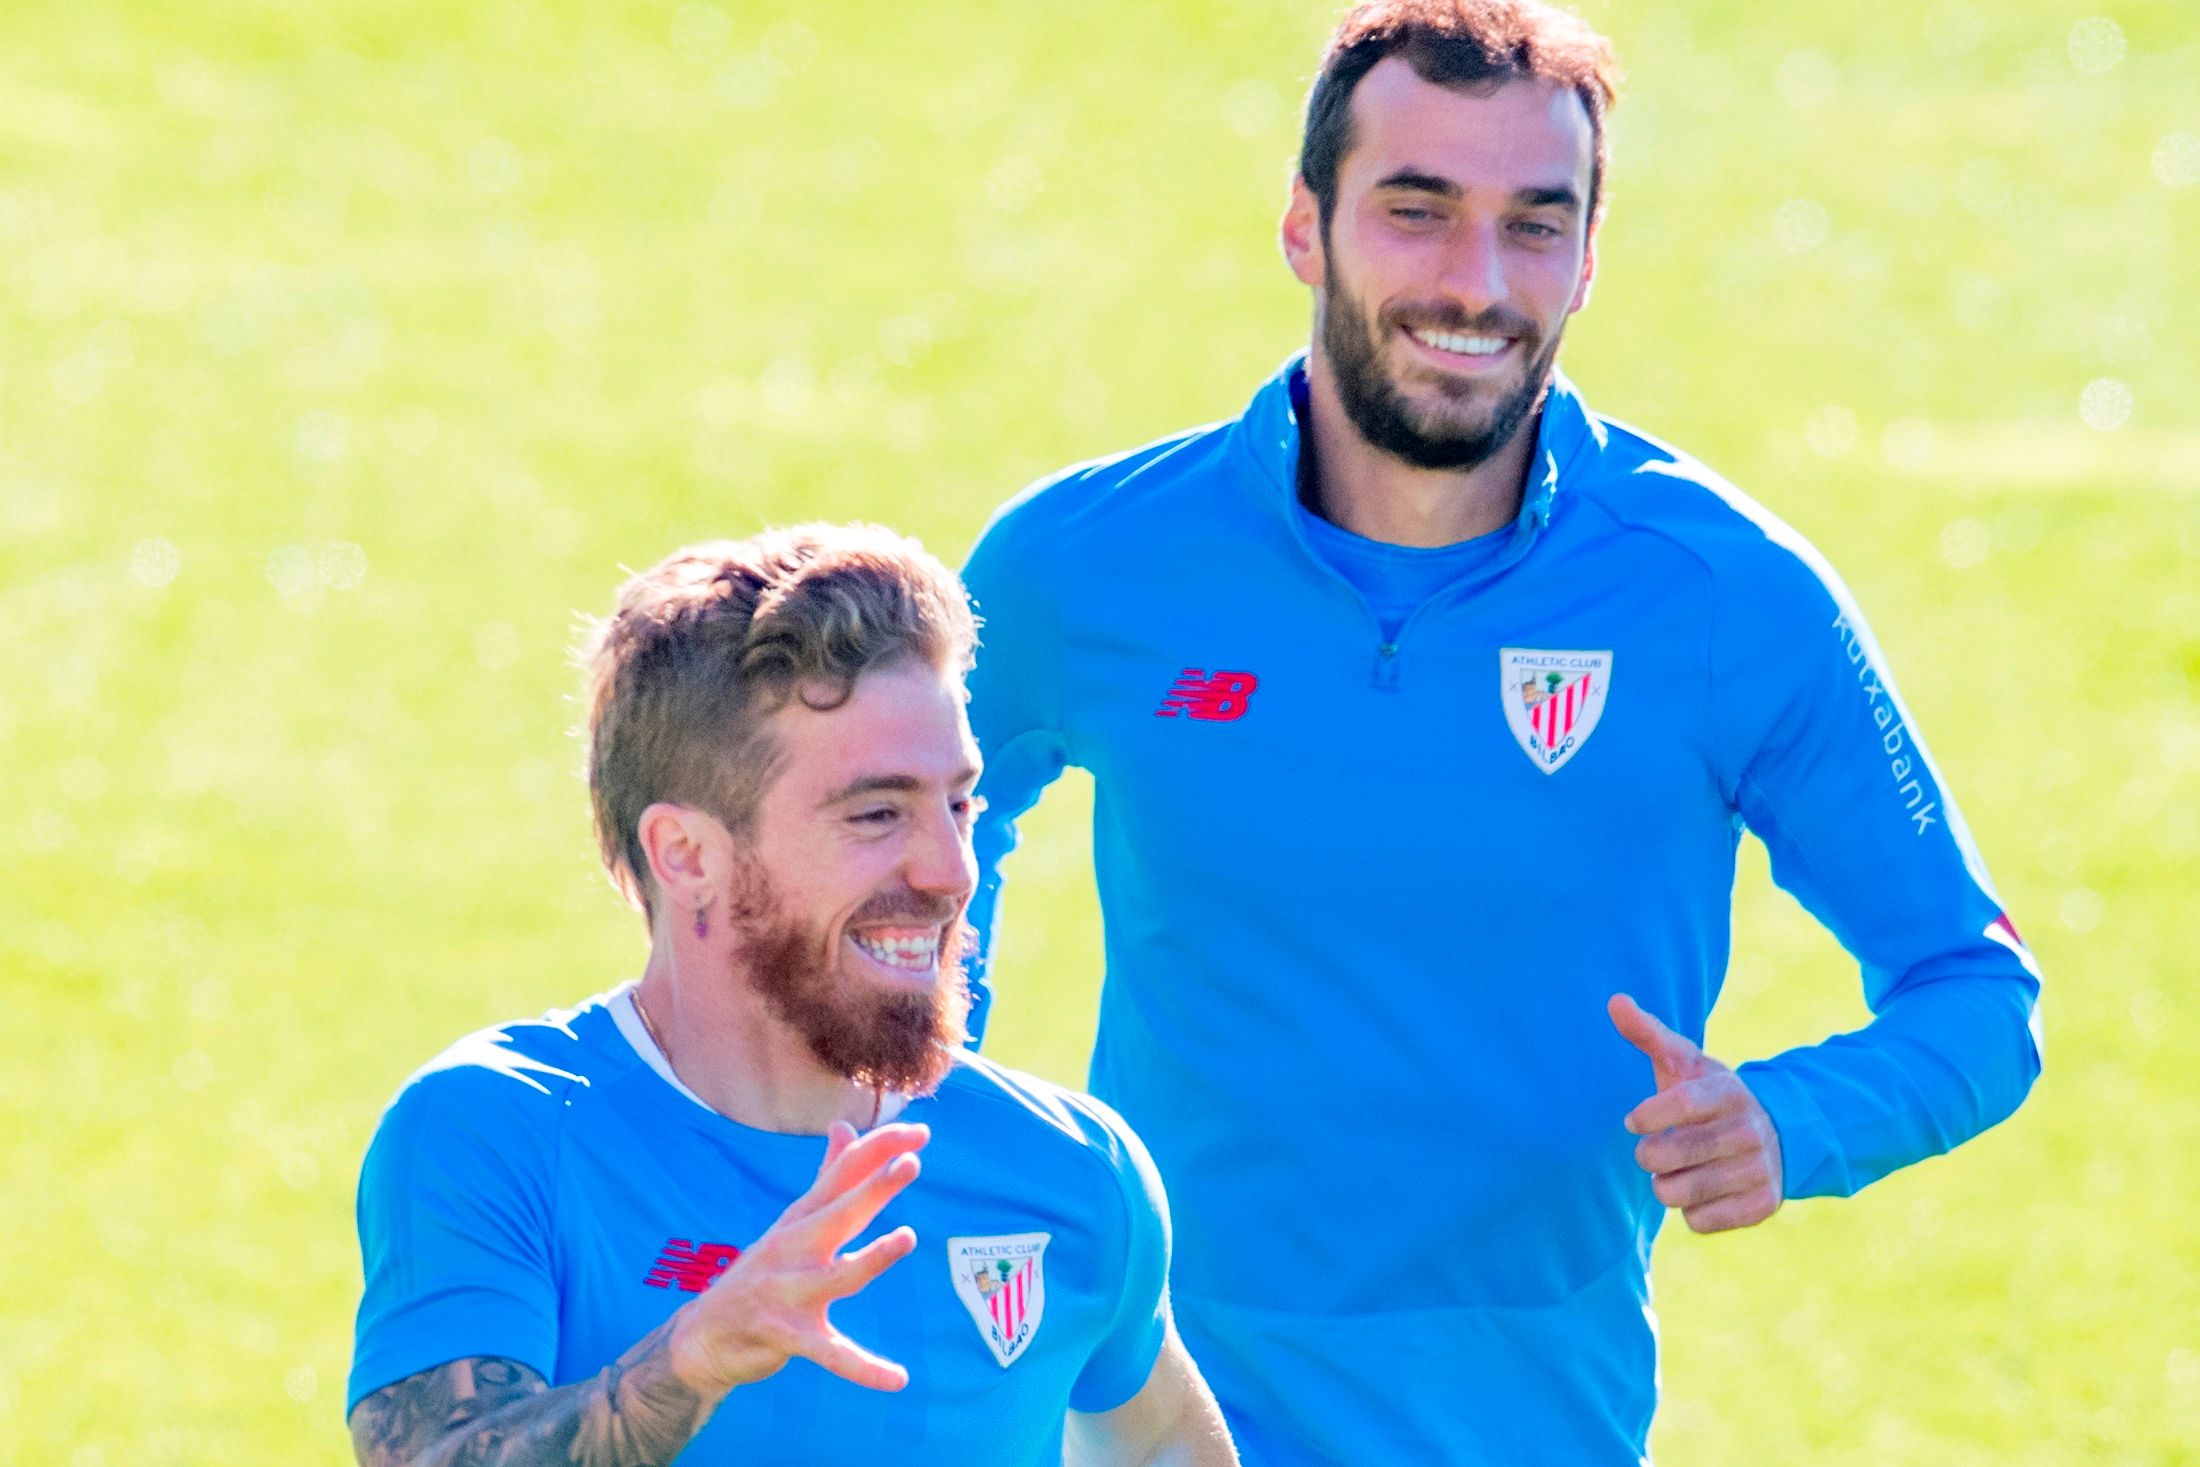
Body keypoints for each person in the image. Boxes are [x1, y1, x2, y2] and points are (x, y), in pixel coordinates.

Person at [959, 2, 2043, 1462]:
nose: (1475, 284)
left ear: (1589, 256)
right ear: (1304, 226)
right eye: (1416, 211)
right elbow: (907, 823)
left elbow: (1976, 991)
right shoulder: (1086, 562)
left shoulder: (1725, 597)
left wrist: (1791, 1120)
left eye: (1535, 225)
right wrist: (937, 1101)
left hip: (1535, 1419)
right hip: (1158, 1410)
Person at [345, 527, 1238, 1467]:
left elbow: (1161, 1444)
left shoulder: (1070, 1171)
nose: (951, 871)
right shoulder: (501, 1132)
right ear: (688, 855)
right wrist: (692, 1359)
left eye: (960, 804)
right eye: (877, 813)